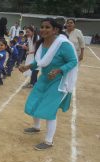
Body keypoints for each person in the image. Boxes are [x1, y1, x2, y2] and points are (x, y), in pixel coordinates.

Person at [19, 18, 78, 150]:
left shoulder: (63, 45)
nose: (43, 30)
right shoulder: (42, 43)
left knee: (49, 110)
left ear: (55, 30)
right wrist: (27, 66)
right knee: (35, 101)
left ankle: (49, 141)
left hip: (58, 82)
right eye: (42, 27)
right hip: (44, 79)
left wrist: (59, 70)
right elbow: (40, 62)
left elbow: (73, 61)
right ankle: (36, 127)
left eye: (47, 27)